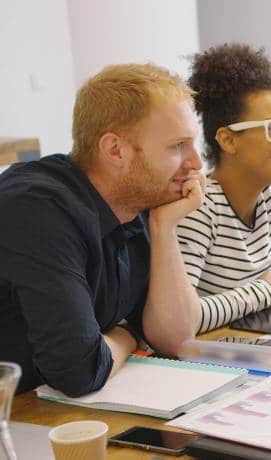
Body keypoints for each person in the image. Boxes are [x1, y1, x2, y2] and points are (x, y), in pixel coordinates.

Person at [0, 63, 205, 396]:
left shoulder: (138, 201)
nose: (196, 162)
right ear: (115, 150)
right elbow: (80, 371)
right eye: (178, 146)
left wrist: (164, 227)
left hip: (43, 405)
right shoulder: (38, 209)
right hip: (18, 411)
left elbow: (176, 340)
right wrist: (128, 335)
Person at [178, 43, 271, 334]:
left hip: (250, 342)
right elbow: (185, 317)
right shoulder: (198, 207)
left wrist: (270, 290)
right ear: (228, 140)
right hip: (209, 355)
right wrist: (266, 291)